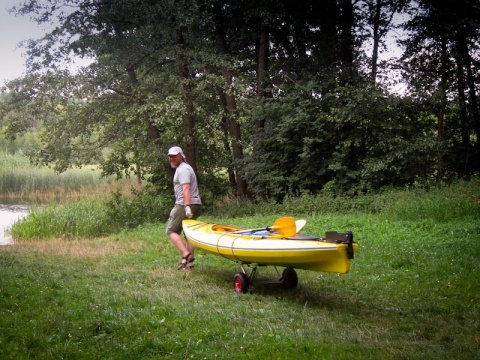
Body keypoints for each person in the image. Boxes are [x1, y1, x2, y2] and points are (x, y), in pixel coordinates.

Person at [165, 146, 202, 270]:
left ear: (181, 155)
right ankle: (188, 264)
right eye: (170, 156)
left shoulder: (182, 170)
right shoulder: (185, 168)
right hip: (195, 203)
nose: (172, 158)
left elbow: (186, 188)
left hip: (184, 204)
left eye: (174, 156)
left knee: (171, 231)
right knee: (188, 234)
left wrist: (186, 207)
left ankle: (186, 255)